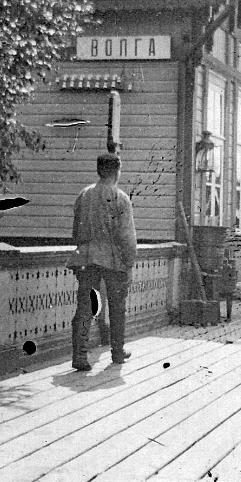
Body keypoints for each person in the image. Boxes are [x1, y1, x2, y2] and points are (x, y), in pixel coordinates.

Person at [70, 153, 138, 371]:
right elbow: (127, 237)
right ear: (117, 172)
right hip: (113, 259)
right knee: (117, 307)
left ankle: (80, 355)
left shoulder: (84, 195)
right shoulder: (120, 198)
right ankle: (117, 352)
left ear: (99, 171)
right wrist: (129, 264)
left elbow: (75, 232)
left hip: (87, 256)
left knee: (85, 306)